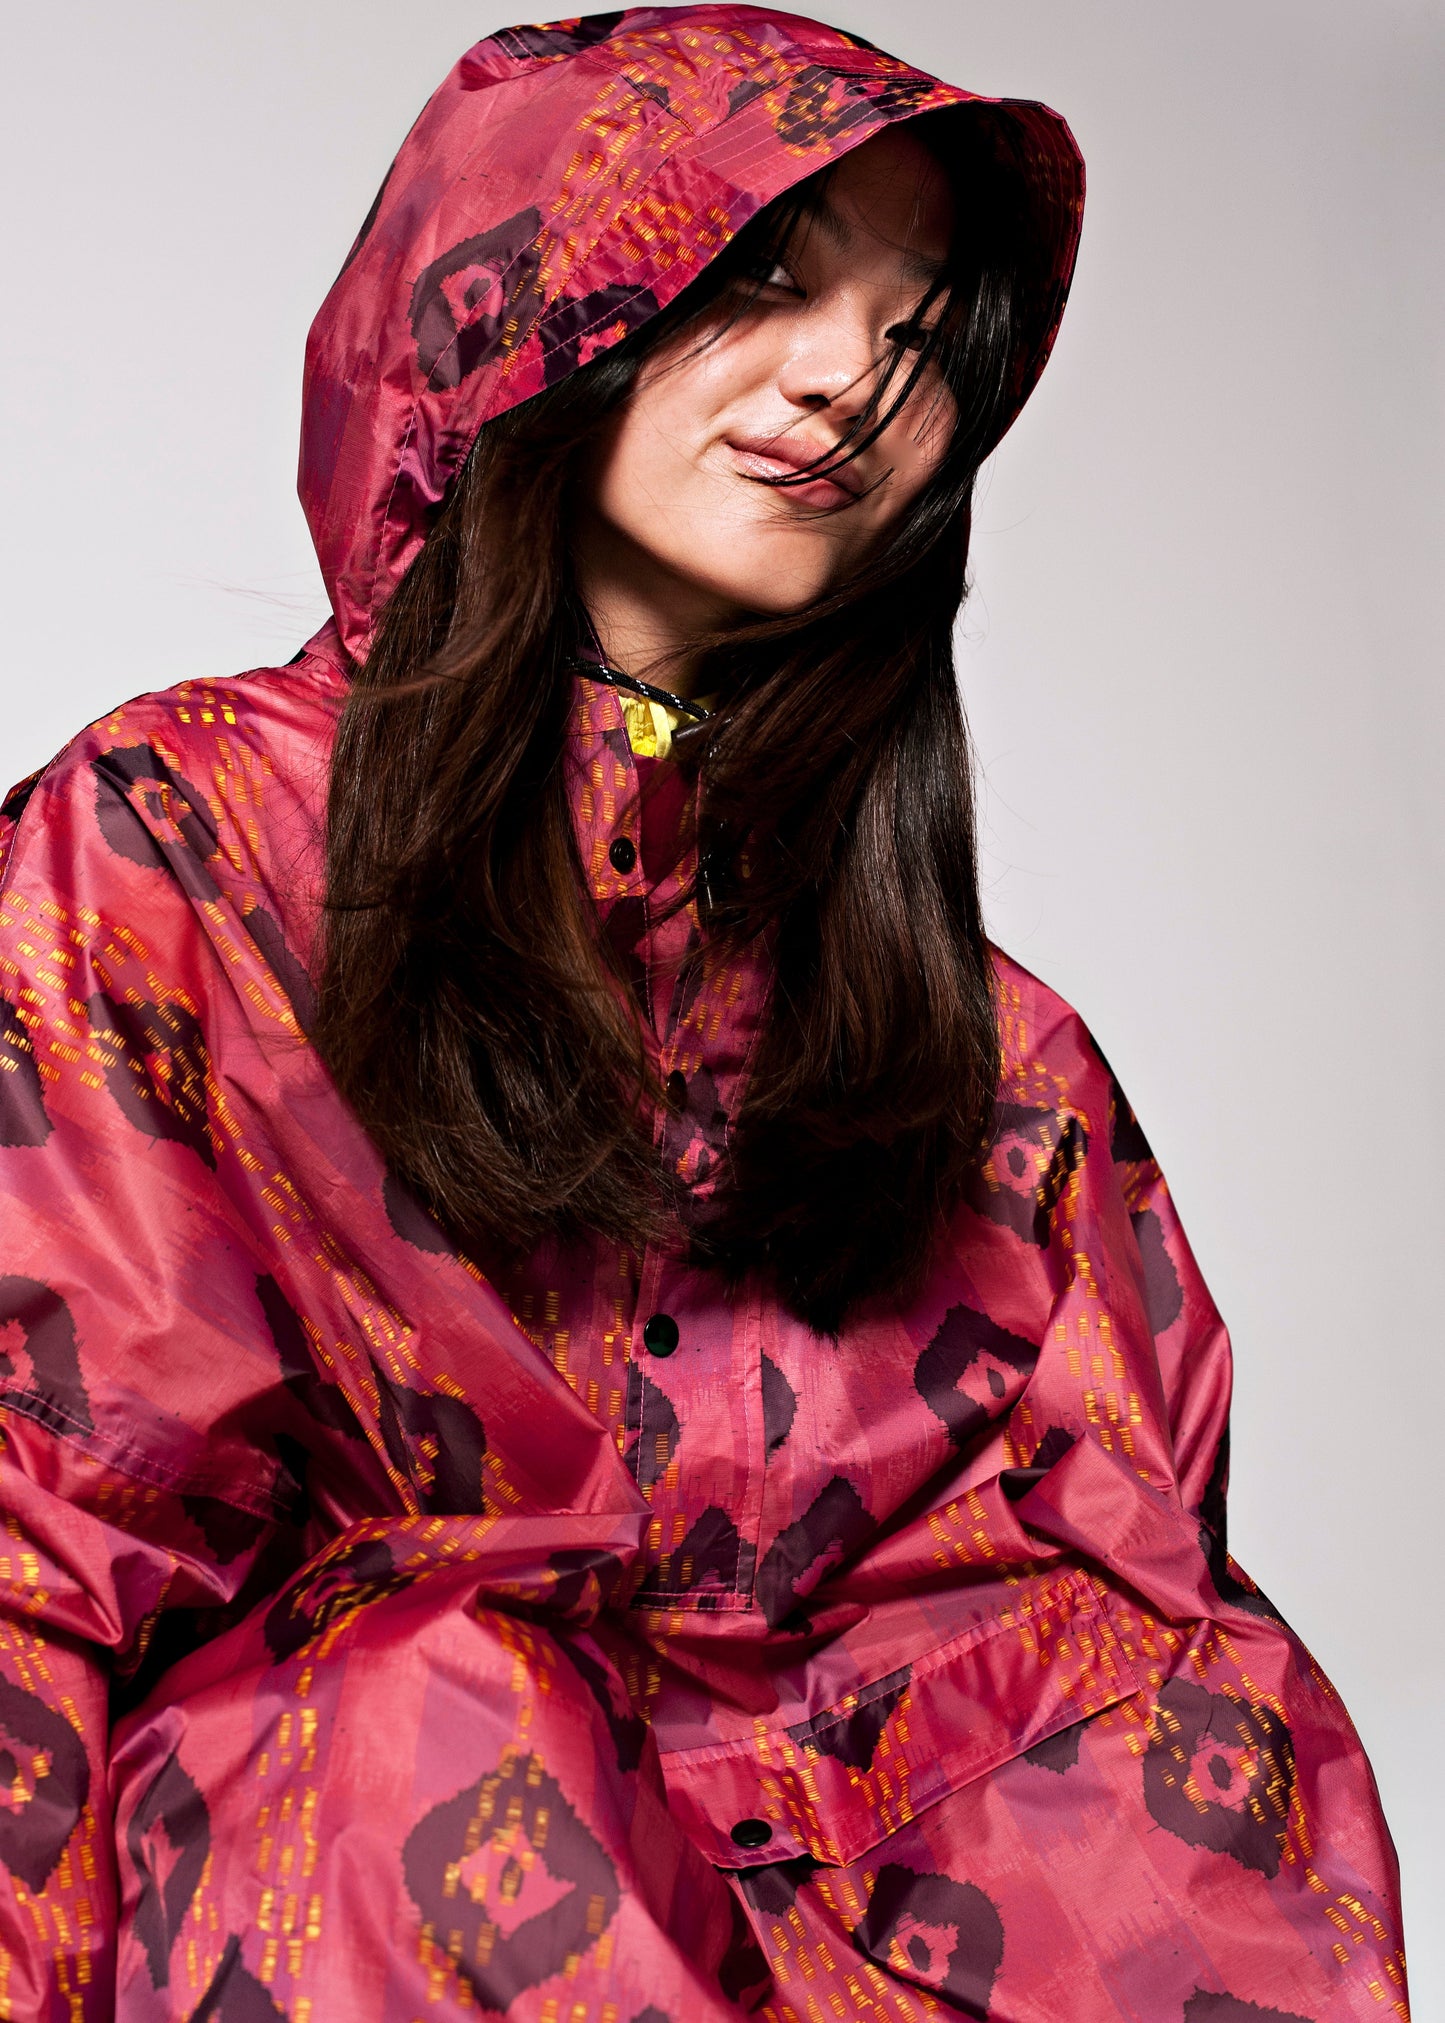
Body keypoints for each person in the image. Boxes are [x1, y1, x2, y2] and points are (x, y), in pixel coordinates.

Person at [0, 8, 1407, 2019]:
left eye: (922, 337)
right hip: (311, 1921)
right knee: (422, 1713)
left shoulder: (999, 1075)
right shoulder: (180, 848)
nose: (851, 379)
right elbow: (38, 1523)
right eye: (766, 275)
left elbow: (1142, 1642)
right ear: (529, 303)